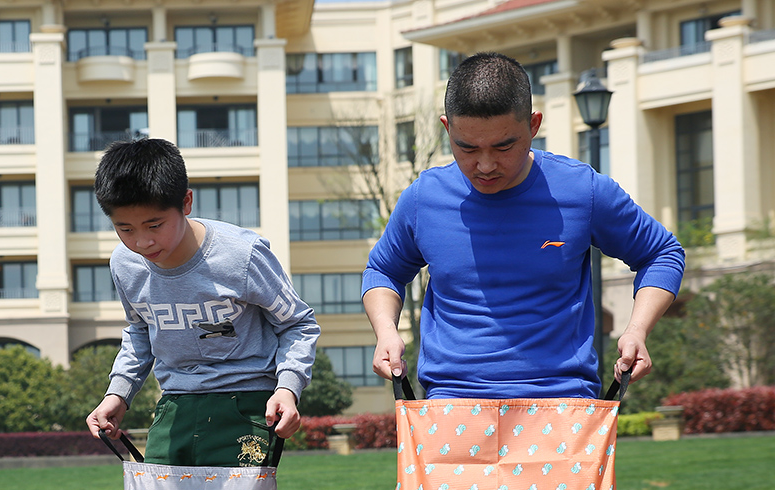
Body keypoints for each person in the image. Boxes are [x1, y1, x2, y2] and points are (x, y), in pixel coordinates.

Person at [362, 52, 684, 398]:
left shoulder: (583, 191)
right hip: (452, 404)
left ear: (533, 125)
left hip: (562, 402)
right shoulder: (423, 198)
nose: (485, 165)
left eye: (503, 146)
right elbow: (383, 270)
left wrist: (637, 331)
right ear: (447, 129)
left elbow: (662, 254)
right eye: (466, 147)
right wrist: (386, 332)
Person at [85, 138, 320, 466]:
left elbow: (298, 323)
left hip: (247, 407)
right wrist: (118, 394)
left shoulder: (242, 255)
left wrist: (288, 387)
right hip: (173, 407)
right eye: (124, 228)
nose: (141, 241)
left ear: (186, 202)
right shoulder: (125, 263)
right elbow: (140, 331)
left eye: (155, 225)